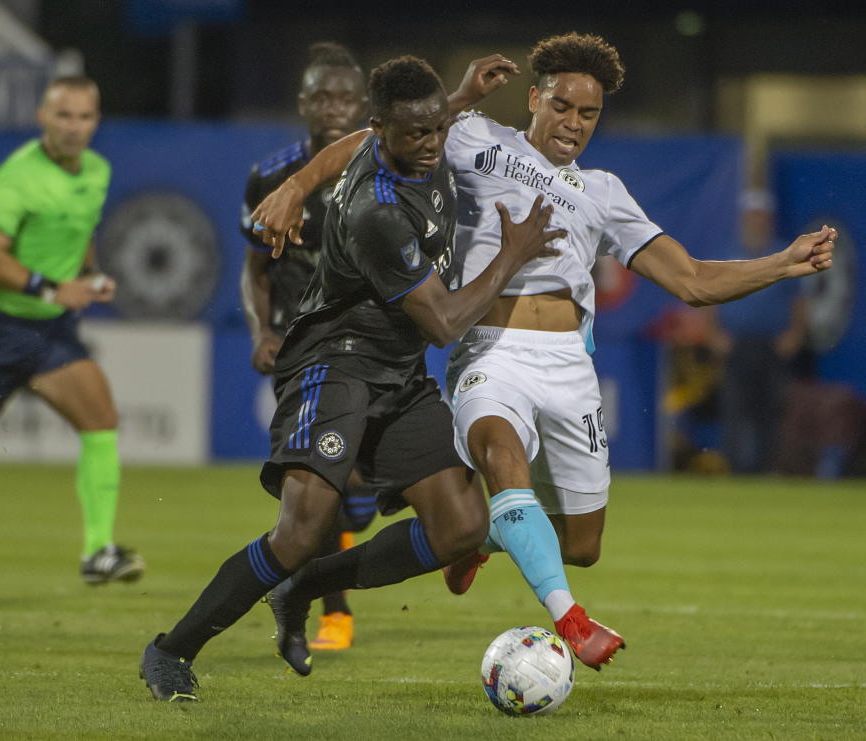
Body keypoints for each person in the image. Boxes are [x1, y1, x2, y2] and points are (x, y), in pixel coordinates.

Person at [249, 34, 836, 672]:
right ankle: (569, 618)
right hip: (489, 352)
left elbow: (692, 281)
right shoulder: (476, 139)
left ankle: (487, 538)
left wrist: (782, 263)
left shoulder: (604, 192)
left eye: (587, 115)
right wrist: (295, 187)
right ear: (534, 98)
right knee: (501, 457)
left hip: (567, 366)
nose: (573, 124)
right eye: (562, 106)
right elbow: (376, 138)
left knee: (583, 544)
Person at [139, 55, 564, 702]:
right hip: (333, 361)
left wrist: (458, 96)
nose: (431, 144)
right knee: (301, 529)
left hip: (396, 370)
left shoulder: (416, 135)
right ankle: (171, 649)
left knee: (461, 528)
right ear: (380, 131)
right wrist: (513, 252)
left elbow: (397, 130)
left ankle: (304, 588)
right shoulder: (377, 210)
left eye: (438, 128)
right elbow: (446, 322)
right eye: (415, 134)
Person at [0, 76, 144, 585]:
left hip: (49, 334)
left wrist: (89, 277)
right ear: (43, 117)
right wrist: (51, 289)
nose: (75, 127)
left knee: (101, 420)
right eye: (64, 116)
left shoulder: (96, 171)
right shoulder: (18, 178)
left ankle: (98, 552)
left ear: (95, 121)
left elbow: (80, 233)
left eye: (84, 117)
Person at [240, 41, 372, 652]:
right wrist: (259, 330)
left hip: (372, 347)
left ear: (364, 103)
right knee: (319, 480)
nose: (334, 107)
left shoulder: (383, 168)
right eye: (322, 96)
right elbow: (255, 269)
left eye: (346, 96)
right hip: (301, 352)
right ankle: (334, 613)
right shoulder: (270, 177)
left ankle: (356, 519)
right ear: (302, 102)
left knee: (359, 493)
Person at [702, 189, 809, 473]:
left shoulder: (783, 252)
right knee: (735, 407)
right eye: (752, 216)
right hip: (736, 343)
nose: (756, 222)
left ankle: (767, 467)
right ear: (743, 218)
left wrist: (794, 335)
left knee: (771, 407)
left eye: (761, 217)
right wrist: (714, 334)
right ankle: (735, 467)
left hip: (772, 343)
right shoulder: (727, 253)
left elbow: (798, 300)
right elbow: (708, 294)